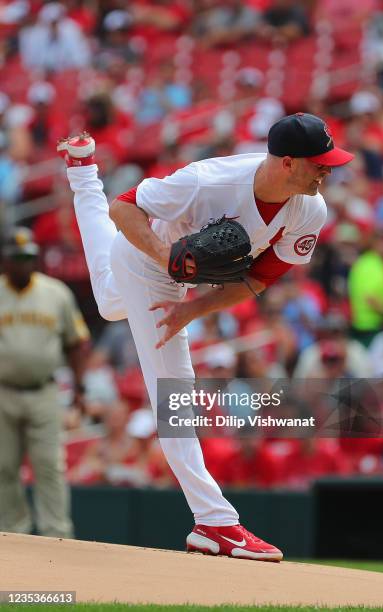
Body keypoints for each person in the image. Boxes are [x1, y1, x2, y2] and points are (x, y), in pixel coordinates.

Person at [58, 112, 354, 561]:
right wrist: (167, 258)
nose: (328, 169)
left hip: (169, 274)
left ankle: (82, 174)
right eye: (320, 161)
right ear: (288, 163)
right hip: (148, 257)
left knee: (110, 302)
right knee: (175, 395)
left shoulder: (310, 208)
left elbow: (259, 279)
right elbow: (124, 207)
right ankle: (214, 522)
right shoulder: (207, 181)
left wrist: (193, 307)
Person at [0, 227, 90, 537]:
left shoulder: (56, 292)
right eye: (17, 258)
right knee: (3, 466)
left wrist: (80, 387)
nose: (23, 264)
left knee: (50, 466)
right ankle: (12, 530)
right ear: (5, 261)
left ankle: (57, 534)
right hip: (3, 392)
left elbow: (77, 343)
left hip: (44, 391)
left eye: (28, 258)